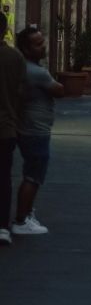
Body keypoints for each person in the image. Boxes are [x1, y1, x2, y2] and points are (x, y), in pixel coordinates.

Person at [11, 26, 64, 236]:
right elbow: (60, 90)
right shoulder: (36, 72)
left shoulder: (22, 67)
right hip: (36, 129)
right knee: (34, 176)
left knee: (31, 173)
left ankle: (26, 212)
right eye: (38, 44)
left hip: (25, 126)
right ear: (26, 48)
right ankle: (21, 220)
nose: (43, 47)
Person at [0, 12, 26, 246]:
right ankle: (2, 227)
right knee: (4, 178)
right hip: (6, 128)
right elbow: (21, 93)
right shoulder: (14, 57)